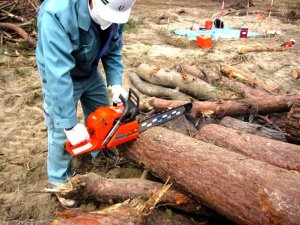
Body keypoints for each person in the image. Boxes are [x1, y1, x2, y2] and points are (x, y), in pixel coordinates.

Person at [36, 0, 136, 208]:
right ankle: (59, 180)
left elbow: (114, 48)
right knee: (59, 131)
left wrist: (116, 83)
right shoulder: (56, 15)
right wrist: (69, 124)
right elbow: (58, 73)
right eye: (107, 16)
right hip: (60, 75)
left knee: (102, 112)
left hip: (89, 70)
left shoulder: (117, 12)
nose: (109, 22)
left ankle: (98, 152)